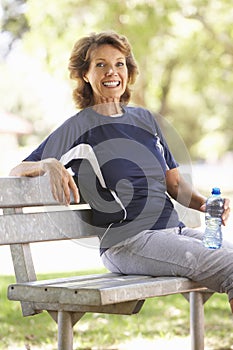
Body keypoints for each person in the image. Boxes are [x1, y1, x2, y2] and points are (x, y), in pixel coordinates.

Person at [10, 31, 233, 312]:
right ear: (85, 75)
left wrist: (206, 204)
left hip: (174, 233)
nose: (112, 71)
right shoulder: (80, 126)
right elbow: (18, 169)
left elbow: (174, 185)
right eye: (100, 64)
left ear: (128, 71)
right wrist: (48, 163)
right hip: (128, 243)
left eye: (119, 63)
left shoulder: (146, 120)